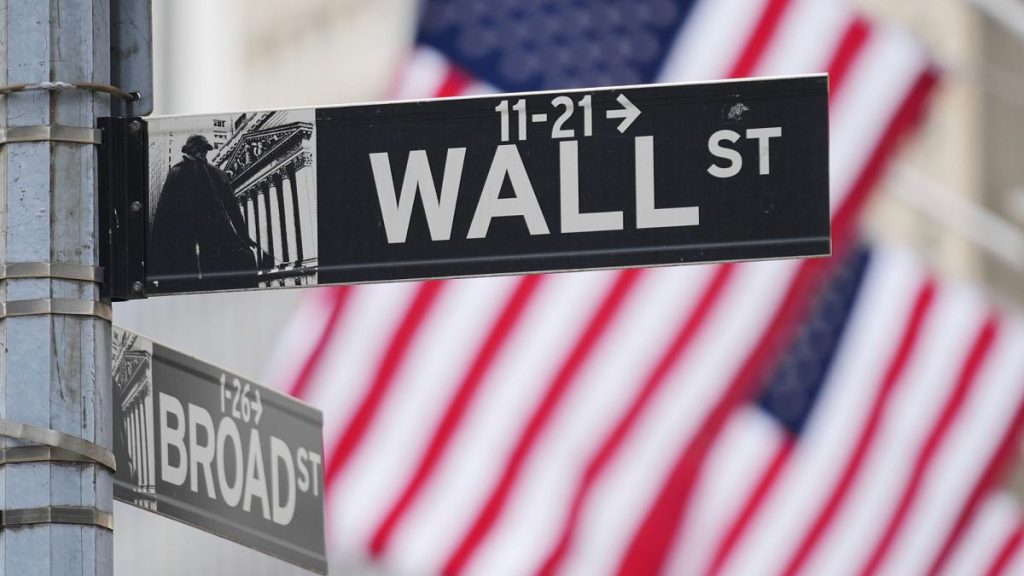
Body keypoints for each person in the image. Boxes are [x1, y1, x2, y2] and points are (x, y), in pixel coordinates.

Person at [150, 134, 259, 292]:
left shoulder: (213, 174)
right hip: (189, 241)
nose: (203, 154)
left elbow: (232, 208)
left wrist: (244, 236)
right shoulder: (179, 172)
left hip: (211, 239)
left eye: (204, 151)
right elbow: (163, 214)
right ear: (192, 150)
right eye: (200, 150)